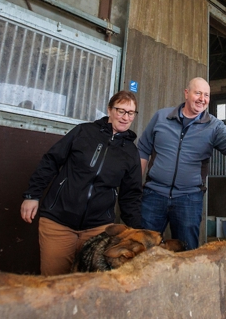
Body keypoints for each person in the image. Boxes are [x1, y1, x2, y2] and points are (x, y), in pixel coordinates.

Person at [20, 91, 143, 276]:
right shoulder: (84, 132)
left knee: (89, 284)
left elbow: (130, 195)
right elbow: (51, 161)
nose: (126, 117)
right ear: (110, 110)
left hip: (98, 229)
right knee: (55, 281)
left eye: (131, 113)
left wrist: (138, 231)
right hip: (59, 222)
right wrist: (32, 195)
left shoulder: (131, 152)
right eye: (121, 111)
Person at [138, 77, 226, 250]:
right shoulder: (162, 117)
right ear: (186, 93)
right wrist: (136, 186)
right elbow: (143, 148)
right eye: (198, 93)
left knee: (187, 252)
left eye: (206, 95)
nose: (202, 99)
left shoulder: (214, 126)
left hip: (189, 199)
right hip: (154, 194)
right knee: (144, 250)